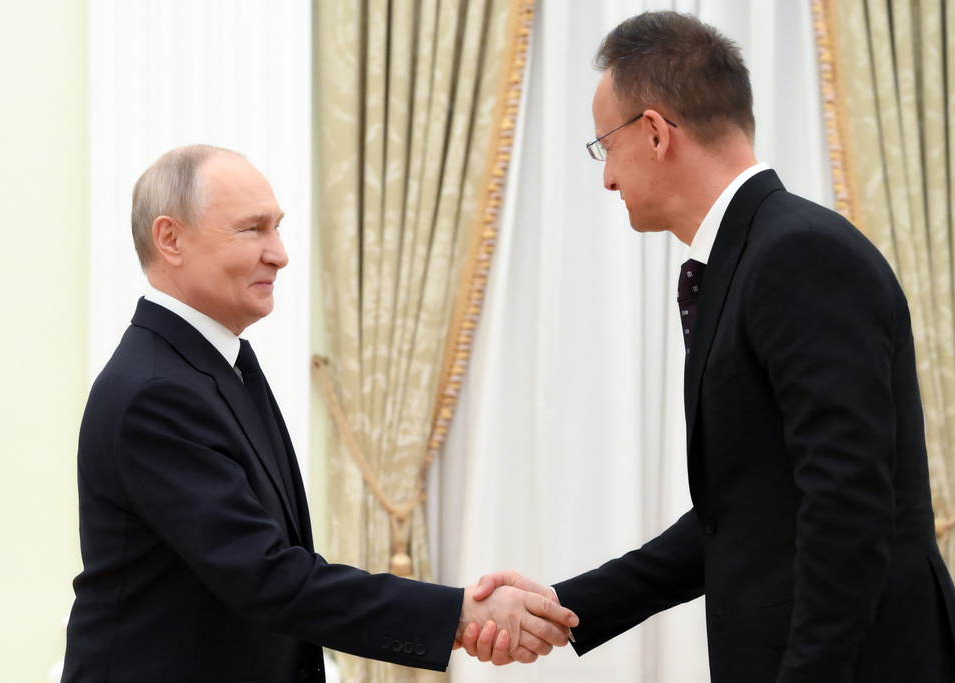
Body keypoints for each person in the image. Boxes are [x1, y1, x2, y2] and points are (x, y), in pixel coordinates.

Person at [465, 10, 955, 683]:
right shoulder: (755, 258)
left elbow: (849, 511)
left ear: (655, 133)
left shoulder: (799, 255)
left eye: (604, 146)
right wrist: (566, 606)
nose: (605, 179)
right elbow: (741, 516)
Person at [62, 144, 577, 682]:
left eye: (277, 228)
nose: (280, 253)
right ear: (171, 239)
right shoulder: (155, 391)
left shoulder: (214, 363)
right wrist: (459, 612)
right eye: (253, 229)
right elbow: (265, 576)